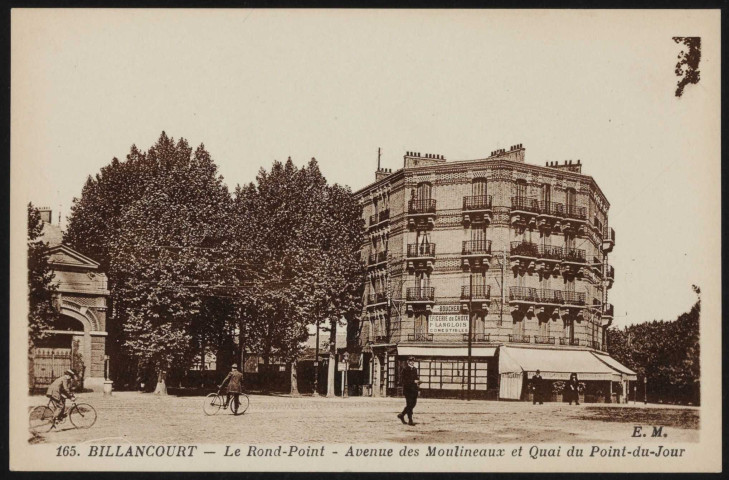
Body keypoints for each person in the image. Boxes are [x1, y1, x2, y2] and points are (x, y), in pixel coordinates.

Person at [397, 356, 420, 426]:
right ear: (408, 362)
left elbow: (416, 378)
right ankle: (410, 420)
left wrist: (418, 382)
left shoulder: (415, 369)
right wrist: (413, 381)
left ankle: (402, 414)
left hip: (414, 390)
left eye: (413, 361)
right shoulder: (405, 369)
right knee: (409, 404)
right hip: (408, 390)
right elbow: (403, 380)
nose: (412, 362)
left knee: (413, 404)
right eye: (410, 361)